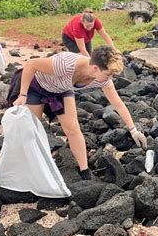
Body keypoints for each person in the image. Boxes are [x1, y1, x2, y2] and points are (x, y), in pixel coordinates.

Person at [8, 46, 147, 180]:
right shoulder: (65, 64)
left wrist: (133, 130)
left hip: (61, 88)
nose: (110, 79)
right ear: (95, 68)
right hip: (36, 85)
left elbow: (118, 104)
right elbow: (31, 64)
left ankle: (84, 170)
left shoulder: (103, 80)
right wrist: (23, 95)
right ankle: (30, 166)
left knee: (73, 129)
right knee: (33, 129)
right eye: (108, 74)